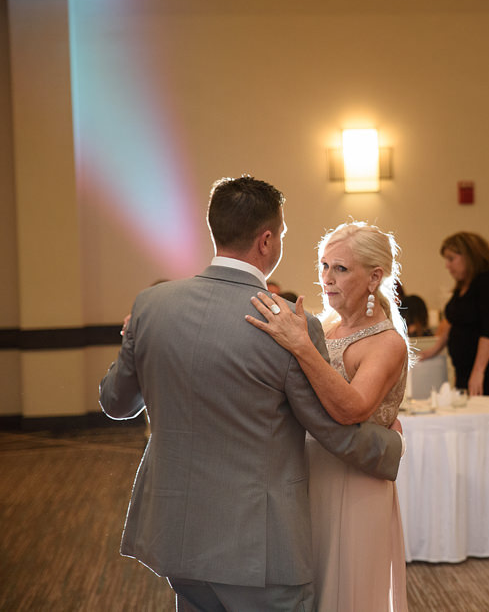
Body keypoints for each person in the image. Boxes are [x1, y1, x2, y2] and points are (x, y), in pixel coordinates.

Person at [99, 176, 403, 611]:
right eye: (280, 234)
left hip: (177, 534)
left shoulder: (151, 306)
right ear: (266, 241)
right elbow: (330, 427)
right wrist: (389, 445)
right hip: (259, 547)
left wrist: (134, 337)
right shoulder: (282, 323)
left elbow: (116, 403)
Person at [246, 221, 409, 612]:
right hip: (308, 471)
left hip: (353, 480)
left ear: (374, 278)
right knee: (312, 582)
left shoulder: (386, 343)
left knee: (348, 590)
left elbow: (353, 408)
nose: (327, 279)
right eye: (323, 266)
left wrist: (302, 347)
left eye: (340, 268)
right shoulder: (325, 326)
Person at [420, 232, 489, 396]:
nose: (447, 265)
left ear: (469, 256)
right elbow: (455, 321)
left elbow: (488, 331)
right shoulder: (462, 287)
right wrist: (435, 349)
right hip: (465, 369)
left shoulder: (488, 282)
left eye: (451, 258)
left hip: (488, 371)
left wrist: (478, 372)